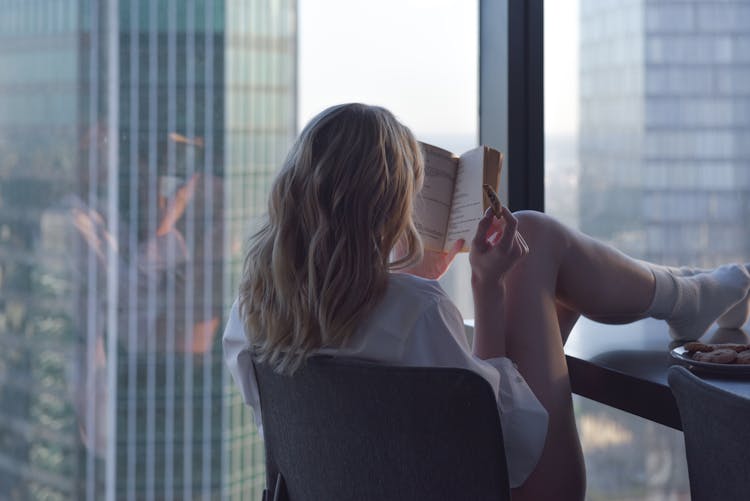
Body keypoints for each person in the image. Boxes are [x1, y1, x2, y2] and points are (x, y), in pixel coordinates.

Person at [222, 103, 750, 501]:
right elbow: (504, 438)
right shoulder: (418, 310)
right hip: (511, 490)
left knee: (540, 276)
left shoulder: (253, 309)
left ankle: (690, 294)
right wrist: (486, 290)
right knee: (537, 238)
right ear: (389, 207)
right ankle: (689, 296)